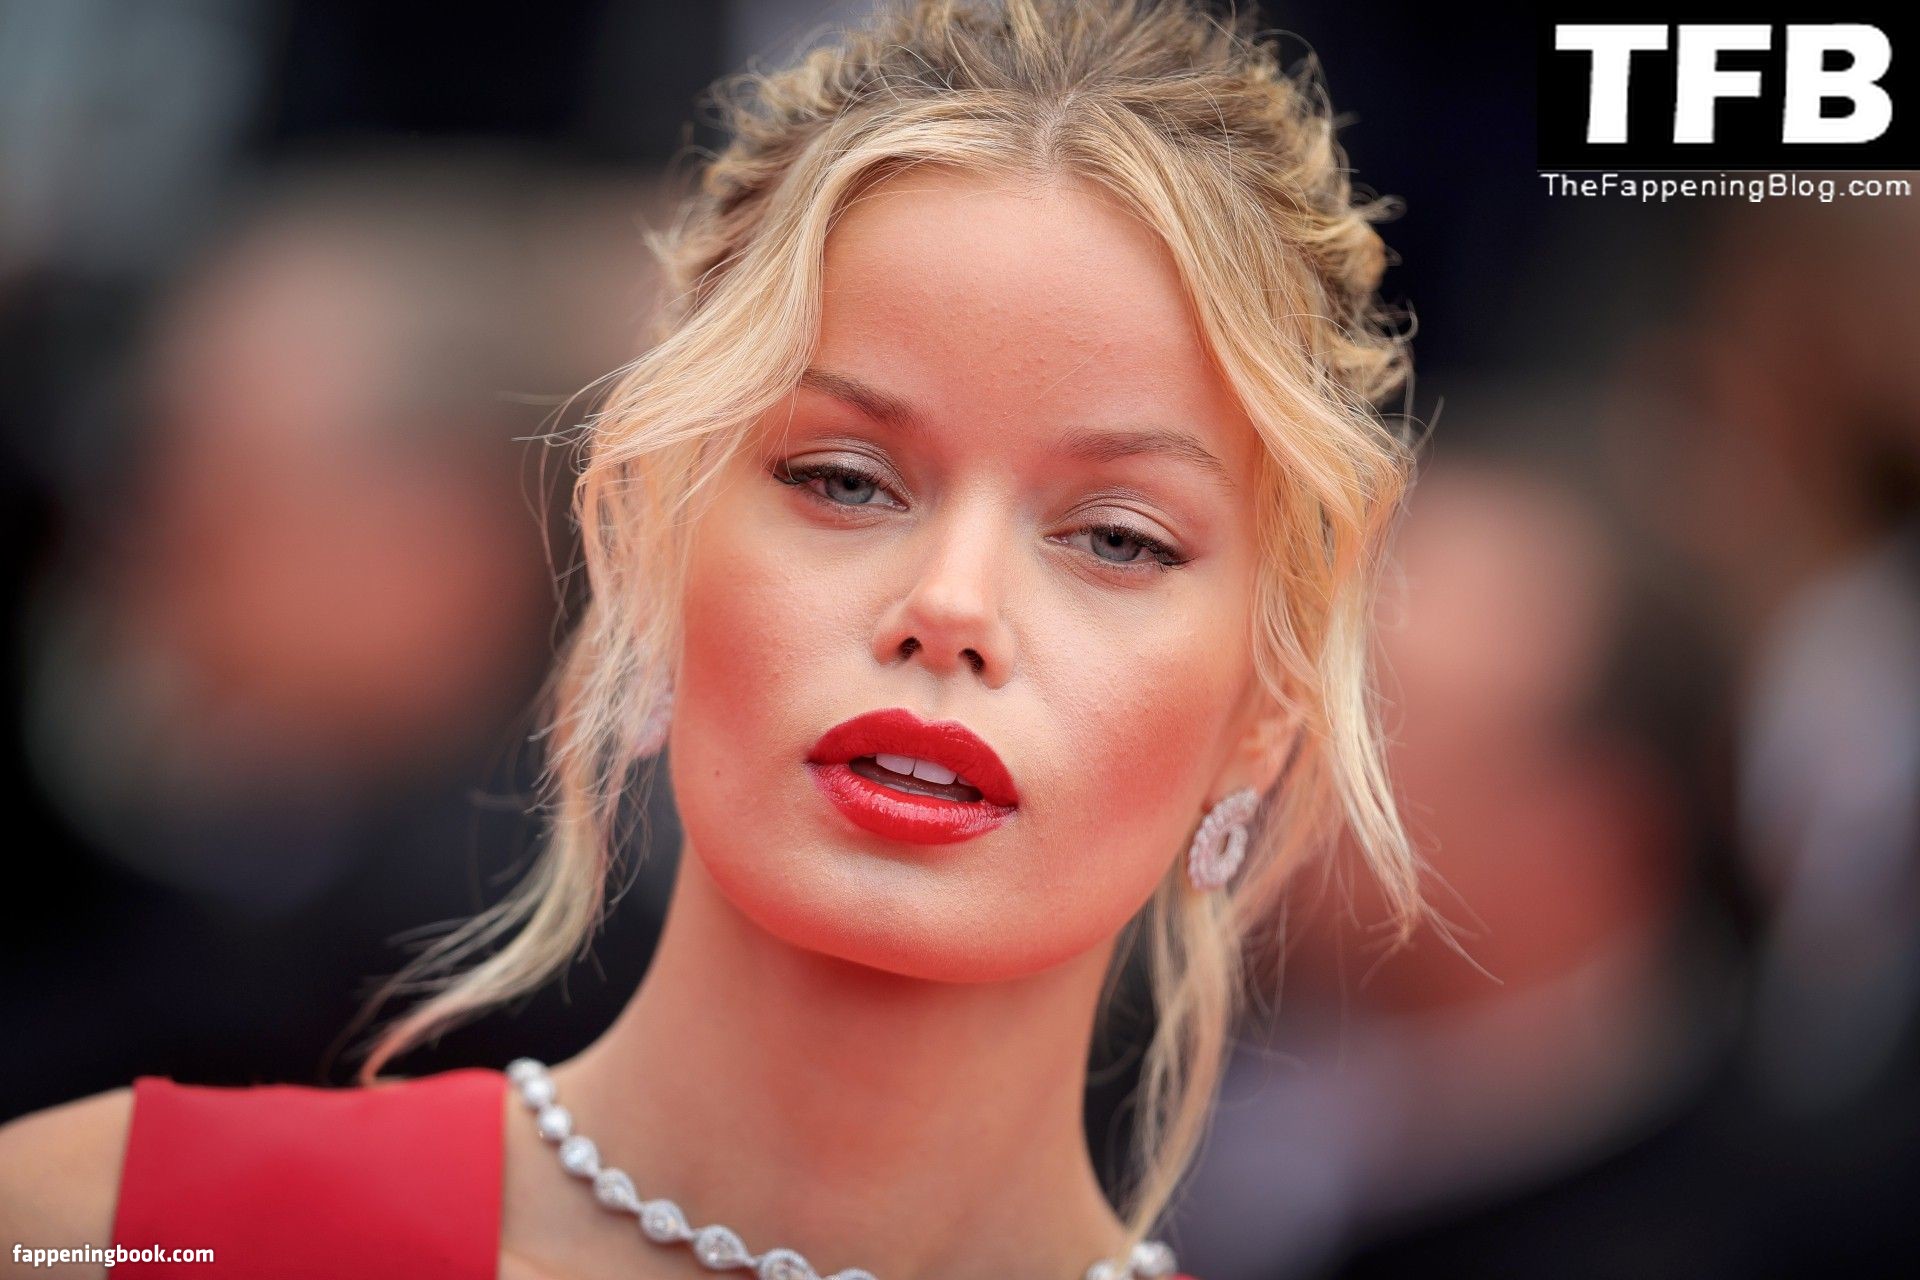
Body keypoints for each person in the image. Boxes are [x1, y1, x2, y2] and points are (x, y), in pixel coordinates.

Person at [0, 2, 1426, 1277]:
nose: (951, 607)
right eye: (844, 481)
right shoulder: (108, 1230)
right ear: (643, 547)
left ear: (1270, 697)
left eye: (1118, 538)